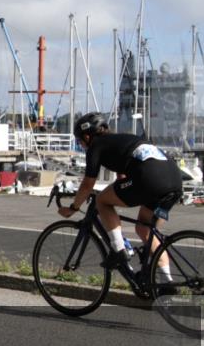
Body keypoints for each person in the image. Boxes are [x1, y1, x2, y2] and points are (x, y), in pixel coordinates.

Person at [60, 112, 183, 283]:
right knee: (145, 229)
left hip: (149, 180)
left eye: (80, 141)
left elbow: (88, 183)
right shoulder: (123, 140)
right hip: (175, 182)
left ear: (88, 136)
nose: (82, 145)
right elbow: (124, 172)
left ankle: (119, 251)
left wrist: (73, 208)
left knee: (102, 200)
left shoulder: (97, 146)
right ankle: (166, 282)